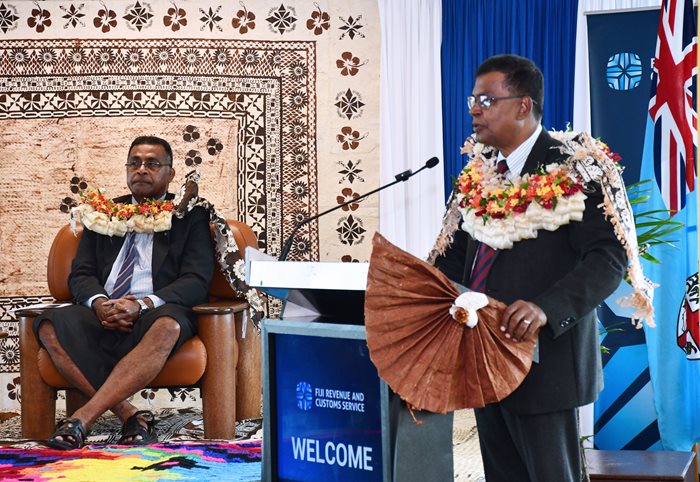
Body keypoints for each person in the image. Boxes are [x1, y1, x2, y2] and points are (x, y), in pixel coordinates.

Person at [432, 55, 627, 481]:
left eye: (486, 100)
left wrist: (545, 308)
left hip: (544, 361)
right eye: (472, 100)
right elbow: (454, 257)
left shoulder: (577, 165)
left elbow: (608, 258)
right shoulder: (478, 173)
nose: (474, 110)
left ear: (523, 105)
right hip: (484, 357)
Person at [33, 136, 214, 450]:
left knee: (169, 325)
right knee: (48, 324)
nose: (141, 169)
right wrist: (100, 303)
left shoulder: (189, 214)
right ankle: (131, 415)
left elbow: (196, 280)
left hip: (157, 310)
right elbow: (82, 273)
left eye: (152, 164)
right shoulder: (104, 212)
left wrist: (141, 305)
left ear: (171, 173)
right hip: (102, 311)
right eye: (135, 163)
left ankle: (82, 418)